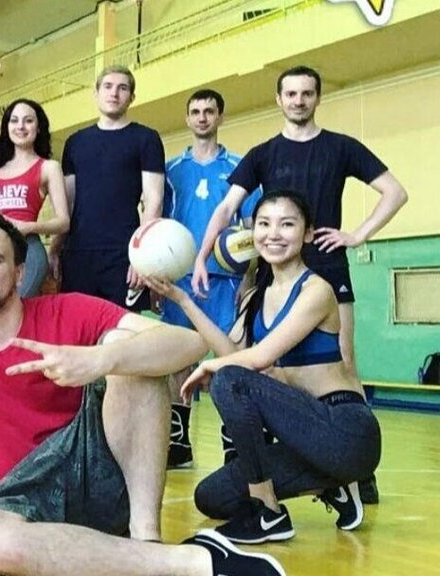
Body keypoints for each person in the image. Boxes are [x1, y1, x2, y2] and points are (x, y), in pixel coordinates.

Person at [0, 212, 286, 576]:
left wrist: (99, 359)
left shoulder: (68, 310)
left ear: (19, 271)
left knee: (130, 349)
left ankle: (146, 537)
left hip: (95, 473)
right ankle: (185, 563)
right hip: (17, 497)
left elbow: (189, 344)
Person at [190, 66, 406, 501]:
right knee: (267, 365)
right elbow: (227, 208)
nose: (298, 100)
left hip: (327, 266)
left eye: (307, 93)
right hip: (274, 271)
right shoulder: (263, 153)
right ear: (279, 99)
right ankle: (280, 459)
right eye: (290, 93)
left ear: (317, 98)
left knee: (345, 360)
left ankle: (357, 474)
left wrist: (357, 235)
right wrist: (201, 255)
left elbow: (395, 192)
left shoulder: (341, 147)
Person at [147, 189, 382, 545]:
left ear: (307, 233)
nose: (273, 234)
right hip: (303, 437)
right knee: (211, 497)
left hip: (346, 432)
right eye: (264, 224)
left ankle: (268, 513)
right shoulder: (255, 298)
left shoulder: (317, 290)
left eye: (287, 224)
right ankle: (331, 485)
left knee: (228, 379)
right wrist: (182, 299)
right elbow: (231, 352)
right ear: (252, 232)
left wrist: (212, 368)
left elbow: (258, 359)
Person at [161, 89, 260, 469]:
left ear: (220, 116)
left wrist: (249, 280)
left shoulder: (239, 167)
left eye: (209, 111)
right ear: (187, 119)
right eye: (196, 111)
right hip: (179, 278)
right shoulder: (171, 170)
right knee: (177, 359)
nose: (202, 117)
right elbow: (158, 226)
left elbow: (251, 227)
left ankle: (234, 443)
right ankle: (179, 443)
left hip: (226, 279)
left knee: (231, 359)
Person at [51, 65, 164, 311]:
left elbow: (154, 201)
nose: (114, 93)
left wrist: (141, 257)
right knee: (78, 327)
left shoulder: (146, 139)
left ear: (131, 97)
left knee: (122, 329)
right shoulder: (75, 142)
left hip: (123, 254)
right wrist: (55, 248)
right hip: (79, 254)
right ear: (96, 93)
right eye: (108, 86)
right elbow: (68, 203)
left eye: (122, 88)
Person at [0, 98, 69, 297]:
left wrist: (27, 227)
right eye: (14, 120)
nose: (20, 126)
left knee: (17, 307)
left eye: (28, 121)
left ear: (38, 127)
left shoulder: (48, 167)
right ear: (6, 127)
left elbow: (63, 222)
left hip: (28, 250)